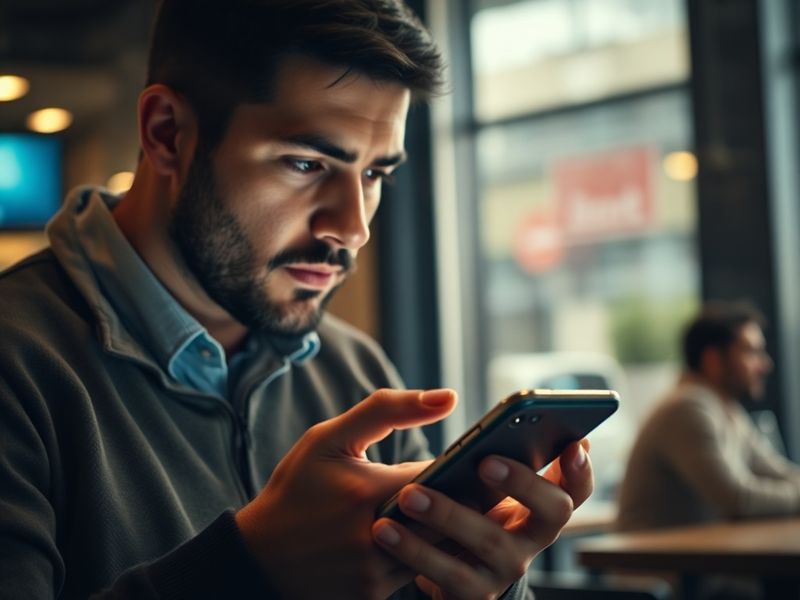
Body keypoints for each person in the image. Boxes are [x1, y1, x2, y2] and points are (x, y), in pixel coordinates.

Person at [0, 1, 595, 598]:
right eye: (307, 163)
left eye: (375, 175)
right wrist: (248, 567)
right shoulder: (19, 362)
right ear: (167, 134)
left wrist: (480, 581)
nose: (353, 227)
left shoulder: (356, 372)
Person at [616, 301, 800, 533]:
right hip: (655, 565)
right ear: (713, 360)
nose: (765, 365)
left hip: (692, 558)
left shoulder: (726, 409)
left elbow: (777, 471)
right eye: (751, 352)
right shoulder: (687, 408)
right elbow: (738, 498)